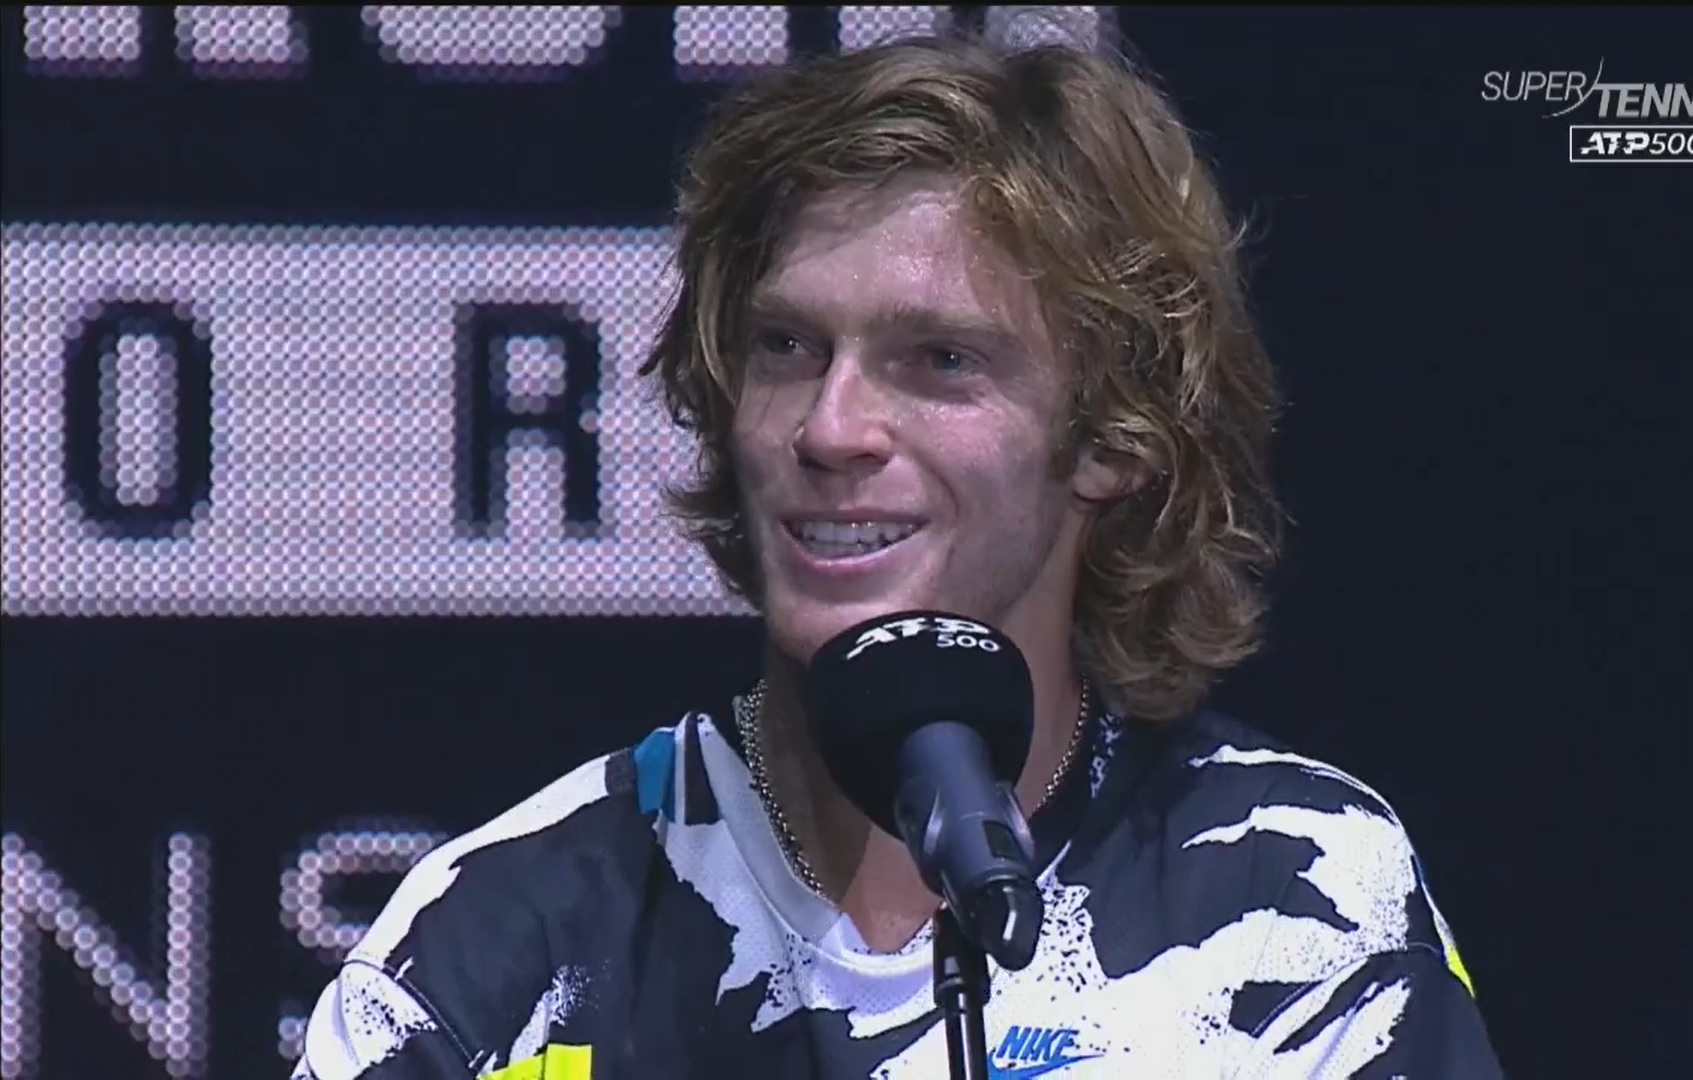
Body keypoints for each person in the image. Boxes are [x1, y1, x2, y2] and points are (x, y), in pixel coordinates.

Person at [294, 28, 1502, 1080]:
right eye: (786, 347)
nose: (831, 429)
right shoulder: (489, 949)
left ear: (1112, 438)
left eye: (940, 361)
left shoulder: (1295, 899)